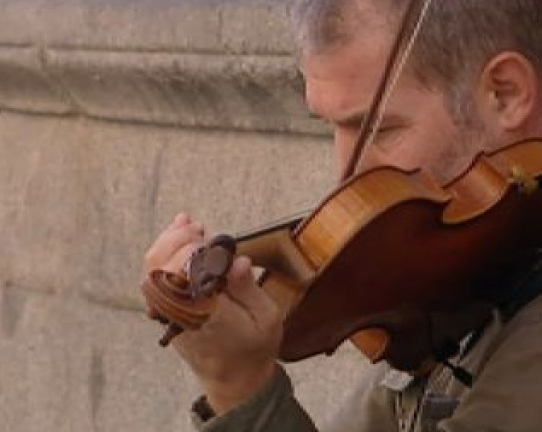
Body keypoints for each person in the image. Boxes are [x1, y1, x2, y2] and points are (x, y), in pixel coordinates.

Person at [142, 1, 542, 431]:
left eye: (380, 129)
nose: (346, 175)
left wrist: (239, 388)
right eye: (332, 127)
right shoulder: (461, 272)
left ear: (505, 93)